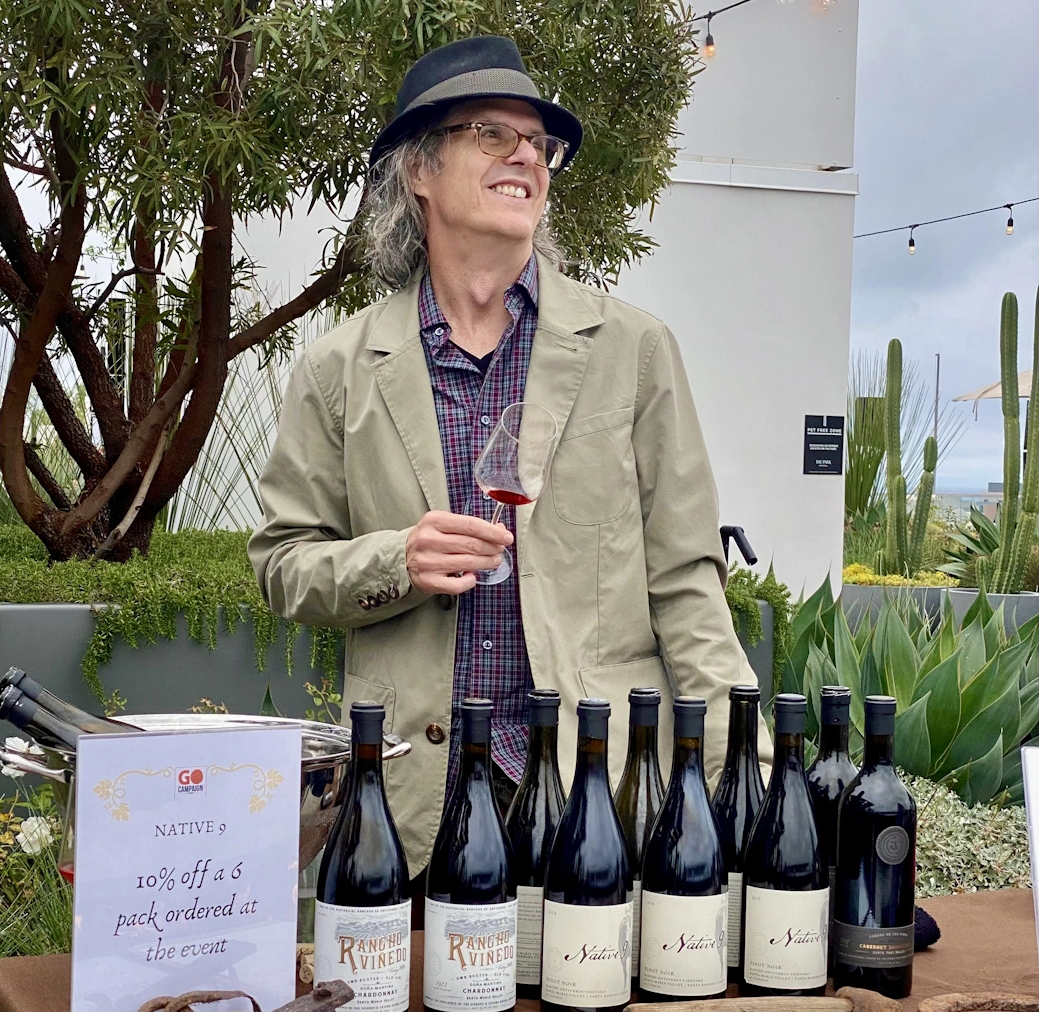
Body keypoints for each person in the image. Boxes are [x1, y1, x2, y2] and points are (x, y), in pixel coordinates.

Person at [249, 35, 771, 878]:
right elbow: (281, 564)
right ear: (420, 169)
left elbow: (685, 581)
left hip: (591, 802)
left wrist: (743, 782)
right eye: (491, 133)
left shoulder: (633, 351)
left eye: (539, 143)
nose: (526, 153)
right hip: (409, 815)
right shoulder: (338, 368)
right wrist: (399, 559)